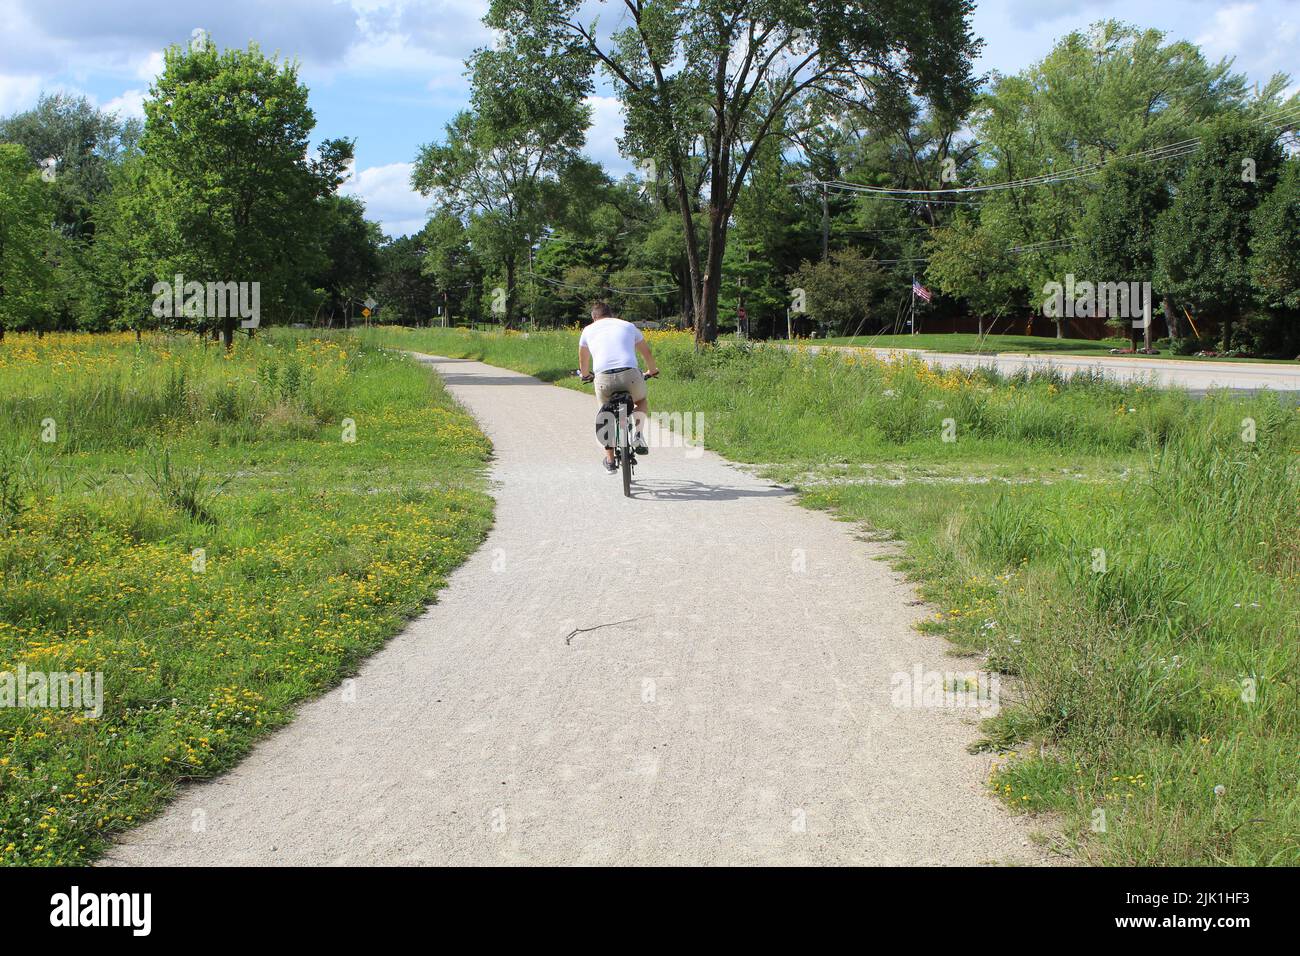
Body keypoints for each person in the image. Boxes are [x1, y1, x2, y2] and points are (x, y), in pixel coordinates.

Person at [578, 302, 659, 474]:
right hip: (630, 375)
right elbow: (647, 353)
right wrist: (652, 371)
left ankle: (610, 461)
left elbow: (583, 361)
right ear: (611, 314)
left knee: (605, 412)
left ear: (594, 317)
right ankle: (637, 434)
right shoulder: (628, 326)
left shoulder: (587, 330)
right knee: (641, 400)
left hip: (604, 379)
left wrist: (585, 375)